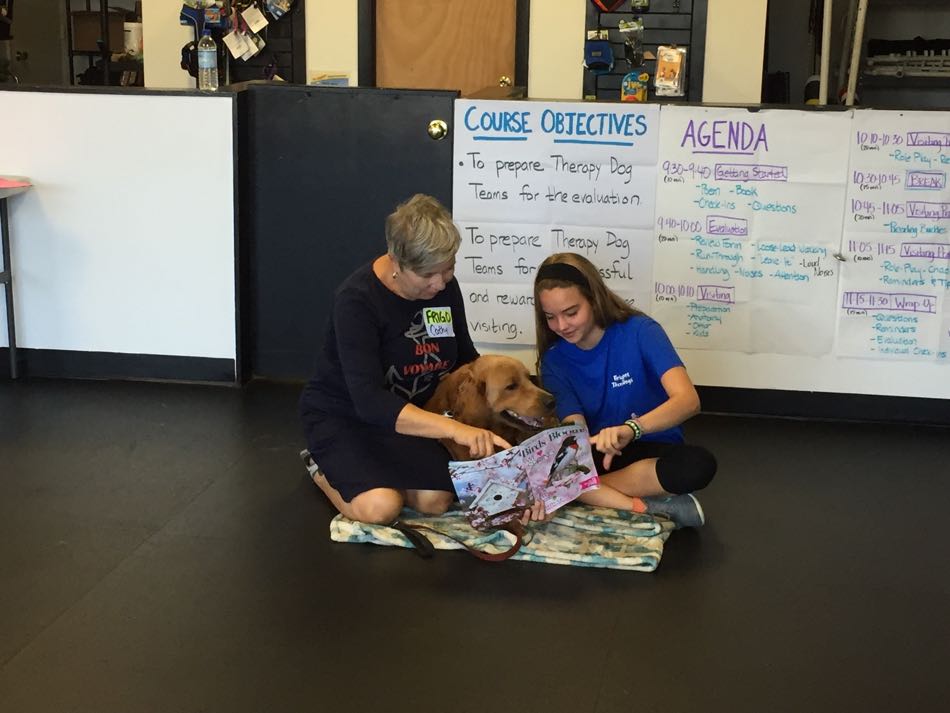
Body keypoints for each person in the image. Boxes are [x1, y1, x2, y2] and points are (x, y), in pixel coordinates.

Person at [299, 194, 514, 525]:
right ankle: (320, 463)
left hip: (409, 417)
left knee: (436, 500)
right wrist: (455, 430)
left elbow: (464, 360)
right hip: (345, 417)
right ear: (397, 262)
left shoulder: (444, 288)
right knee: (382, 507)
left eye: (448, 269)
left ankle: (374, 474)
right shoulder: (356, 302)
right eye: (428, 274)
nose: (440, 283)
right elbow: (370, 402)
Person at [533, 252, 716, 528]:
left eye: (571, 313)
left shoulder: (641, 331)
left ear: (594, 299)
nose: (561, 326)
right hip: (599, 457)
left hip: (652, 447)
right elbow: (575, 430)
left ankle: (580, 494)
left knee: (697, 465)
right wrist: (584, 451)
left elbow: (688, 401)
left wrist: (631, 429)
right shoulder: (554, 360)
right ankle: (637, 504)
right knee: (556, 466)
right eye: (550, 317)